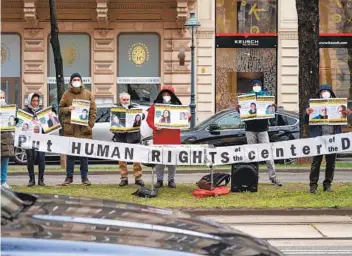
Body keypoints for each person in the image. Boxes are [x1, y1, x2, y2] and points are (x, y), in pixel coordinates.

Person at [305, 84, 352, 193]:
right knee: (316, 162)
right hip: (319, 139)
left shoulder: (338, 105)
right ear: (320, 94)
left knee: (331, 163)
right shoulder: (313, 105)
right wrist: (307, 114)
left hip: (332, 139)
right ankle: (313, 185)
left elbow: (345, 120)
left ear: (331, 93)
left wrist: (347, 114)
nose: (325, 93)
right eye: (323, 91)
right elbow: (306, 120)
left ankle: (327, 184)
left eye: (327, 91)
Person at [236, 79, 282, 186]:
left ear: (261, 86)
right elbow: (243, 112)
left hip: (262, 130)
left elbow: (271, 112)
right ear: (252, 87)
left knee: (267, 154)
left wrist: (274, 108)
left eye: (258, 84)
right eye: (254, 85)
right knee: (251, 155)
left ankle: (273, 177)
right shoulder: (246, 97)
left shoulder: (266, 96)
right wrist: (238, 109)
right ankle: (252, 177)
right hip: (250, 130)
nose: (256, 86)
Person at [147, 85, 190, 188]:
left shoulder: (178, 106)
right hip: (159, 137)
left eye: (168, 94)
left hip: (173, 137)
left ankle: (171, 180)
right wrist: (155, 127)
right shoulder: (155, 106)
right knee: (159, 160)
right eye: (164, 94)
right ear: (161, 94)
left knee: (172, 159)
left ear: (172, 95)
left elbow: (186, 119)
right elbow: (149, 119)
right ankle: (159, 180)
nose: (166, 96)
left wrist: (188, 116)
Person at [59, 72, 97, 186]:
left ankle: (84, 178)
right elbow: (60, 108)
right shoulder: (66, 94)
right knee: (70, 155)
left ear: (81, 81)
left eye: (78, 79)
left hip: (84, 130)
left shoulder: (88, 94)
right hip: (70, 129)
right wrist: (68, 109)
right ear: (71, 81)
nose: (76, 81)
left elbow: (93, 110)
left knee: (84, 156)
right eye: (74, 79)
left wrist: (90, 124)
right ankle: (69, 178)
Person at [111, 92, 144, 187]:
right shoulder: (115, 108)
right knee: (122, 159)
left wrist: (139, 114)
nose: (126, 101)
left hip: (134, 136)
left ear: (130, 100)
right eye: (124, 99)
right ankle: (124, 178)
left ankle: (138, 178)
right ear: (120, 100)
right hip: (120, 136)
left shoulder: (134, 107)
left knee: (137, 159)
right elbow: (112, 121)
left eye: (127, 100)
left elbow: (143, 117)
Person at [23, 93, 46, 186]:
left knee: (41, 158)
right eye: (33, 100)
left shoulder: (42, 111)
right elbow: (20, 125)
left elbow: (47, 126)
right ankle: (31, 179)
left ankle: (41, 179)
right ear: (29, 101)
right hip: (28, 139)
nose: (35, 102)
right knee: (30, 158)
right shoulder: (24, 111)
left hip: (41, 139)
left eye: (37, 100)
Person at [1, 90, 15, 189]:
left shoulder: (9, 110)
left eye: (3, 97)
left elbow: (15, 123)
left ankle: (3, 181)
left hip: (7, 140)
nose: (2, 100)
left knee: (5, 163)